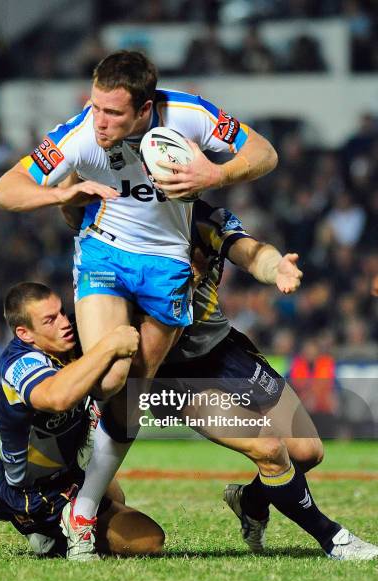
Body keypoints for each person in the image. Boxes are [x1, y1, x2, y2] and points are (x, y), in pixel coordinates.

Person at [0, 50, 278, 560]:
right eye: (95, 106)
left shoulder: (190, 115)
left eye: (113, 113)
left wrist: (213, 177)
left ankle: (81, 505)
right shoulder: (78, 135)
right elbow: (4, 191)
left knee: (132, 395)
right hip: (105, 251)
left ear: (145, 110)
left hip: (167, 265)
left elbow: (264, 153)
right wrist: (63, 194)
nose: (99, 121)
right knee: (107, 379)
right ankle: (39, 481)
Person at [156, 199, 378, 560]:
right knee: (270, 450)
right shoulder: (131, 229)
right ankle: (333, 539)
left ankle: (250, 500)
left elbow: (248, 251)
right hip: (175, 372)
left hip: (225, 351)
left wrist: (276, 268)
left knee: (307, 451)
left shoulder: (206, 216)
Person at [0, 282, 164, 560]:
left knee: (116, 496)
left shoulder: (67, 339)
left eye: (61, 312)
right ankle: (36, 526)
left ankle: (24, 518)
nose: (64, 323)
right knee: (150, 541)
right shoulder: (19, 364)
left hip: (68, 468)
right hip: (32, 491)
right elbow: (57, 397)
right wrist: (108, 345)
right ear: (25, 333)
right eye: (50, 320)